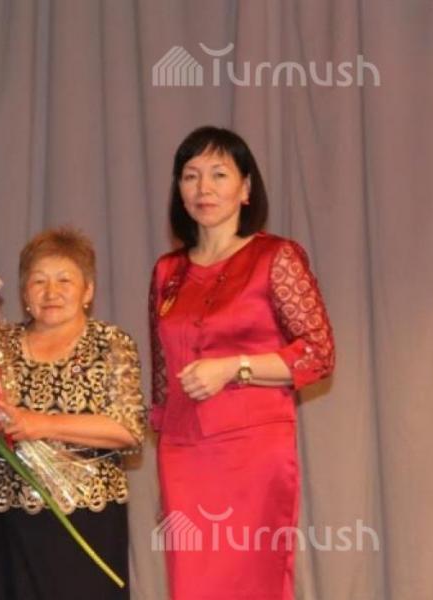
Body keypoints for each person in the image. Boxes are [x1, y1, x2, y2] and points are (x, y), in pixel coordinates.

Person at [149, 126, 335, 599]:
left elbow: (318, 354)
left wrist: (235, 367)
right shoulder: (167, 272)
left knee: (252, 582)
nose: (204, 188)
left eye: (219, 174)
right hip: (183, 454)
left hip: (253, 453)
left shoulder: (276, 257)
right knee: (191, 586)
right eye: (190, 175)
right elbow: (162, 380)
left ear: (246, 187)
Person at [0, 228, 145, 600]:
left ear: (88, 291)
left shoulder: (110, 343)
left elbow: (128, 429)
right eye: (39, 281)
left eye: (65, 280)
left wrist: (41, 424)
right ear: (24, 293)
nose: (51, 292)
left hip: (82, 519)